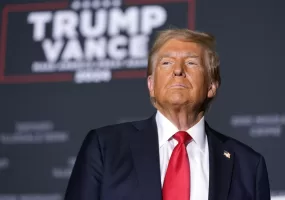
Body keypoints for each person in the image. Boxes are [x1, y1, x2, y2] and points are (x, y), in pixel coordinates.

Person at [64, 28, 270, 200]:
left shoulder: (248, 165)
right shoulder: (105, 148)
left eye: (191, 62)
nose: (178, 70)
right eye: (166, 63)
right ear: (151, 85)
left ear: (211, 86)